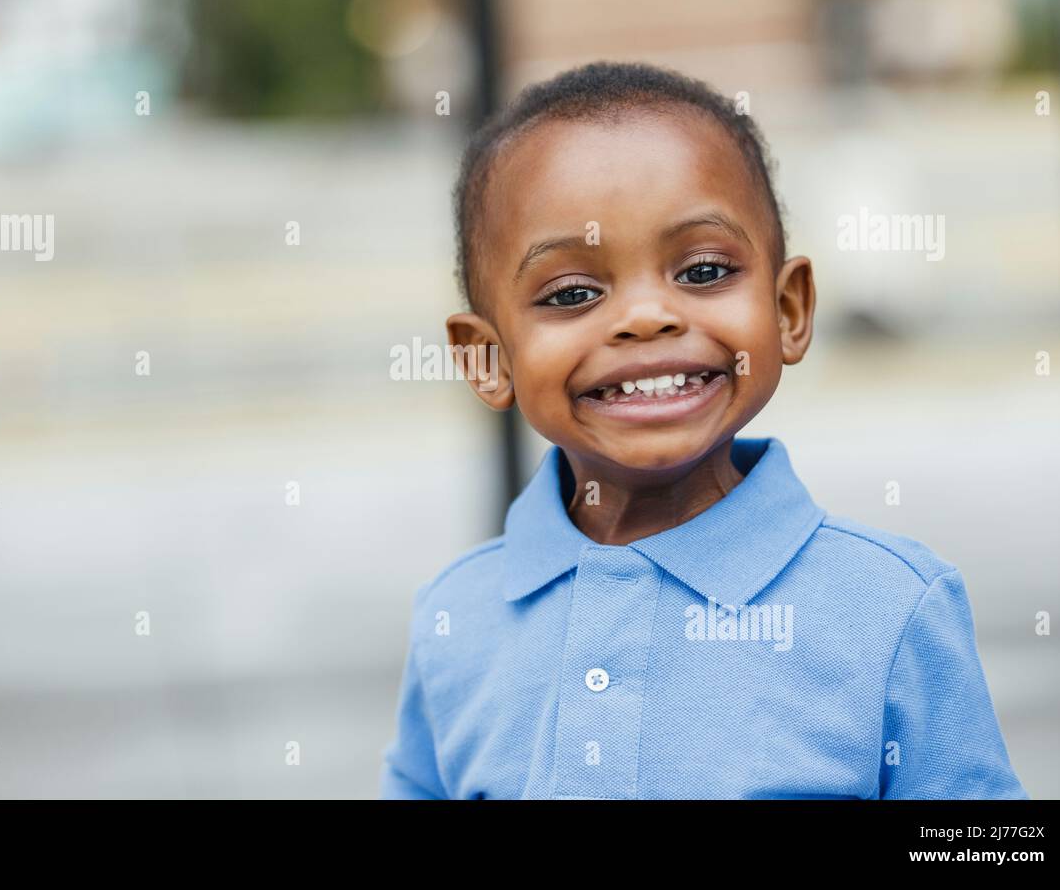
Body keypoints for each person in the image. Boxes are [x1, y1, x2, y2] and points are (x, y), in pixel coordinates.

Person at [378, 61, 1027, 800]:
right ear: (488, 357)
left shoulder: (892, 607)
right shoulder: (454, 617)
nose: (648, 316)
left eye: (704, 271)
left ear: (788, 310)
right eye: (574, 291)